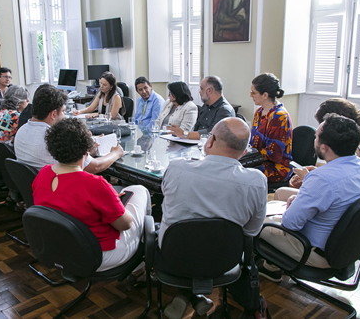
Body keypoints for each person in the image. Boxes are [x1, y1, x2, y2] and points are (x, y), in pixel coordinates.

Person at [160, 117, 267, 318]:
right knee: (206, 245)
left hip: (174, 257)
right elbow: (251, 231)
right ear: (244, 153)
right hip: (225, 259)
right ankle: (194, 295)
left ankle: (189, 295)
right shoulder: (256, 182)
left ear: (209, 141)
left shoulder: (176, 167)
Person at [259, 114, 360, 282]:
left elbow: (291, 224)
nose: (314, 139)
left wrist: (293, 206)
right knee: (283, 195)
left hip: (315, 251)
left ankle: (268, 268)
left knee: (255, 221)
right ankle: (273, 263)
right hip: (345, 245)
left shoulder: (322, 179)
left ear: (324, 148)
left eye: (316, 137)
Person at [32, 117, 151, 271]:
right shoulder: (94, 184)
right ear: (86, 151)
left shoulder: (42, 174)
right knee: (140, 190)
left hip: (60, 248)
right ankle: (144, 262)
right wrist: (118, 205)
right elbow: (125, 224)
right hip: (98, 254)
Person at [15, 84, 124, 174]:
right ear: (53, 114)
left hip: (39, 192)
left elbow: (65, 162)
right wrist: (116, 153)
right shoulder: (53, 139)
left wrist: (85, 154)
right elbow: (95, 167)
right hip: (62, 194)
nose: (64, 116)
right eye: (63, 111)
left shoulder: (21, 131)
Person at [249, 73, 293, 182]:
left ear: (265, 95)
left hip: (277, 167)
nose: (251, 95)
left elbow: (273, 153)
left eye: (253, 93)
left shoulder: (279, 116)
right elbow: (253, 142)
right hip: (259, 159)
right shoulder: (259, 112)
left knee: (240, 173)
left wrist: (247, 157)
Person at [168, 76, 235, 140]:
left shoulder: (224, 110)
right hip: (197, 144)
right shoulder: (206, 106)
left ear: (209, 91)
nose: (199, 91)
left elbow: (211, 134)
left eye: (201, 89)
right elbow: (196, 128)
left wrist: (184, 134)